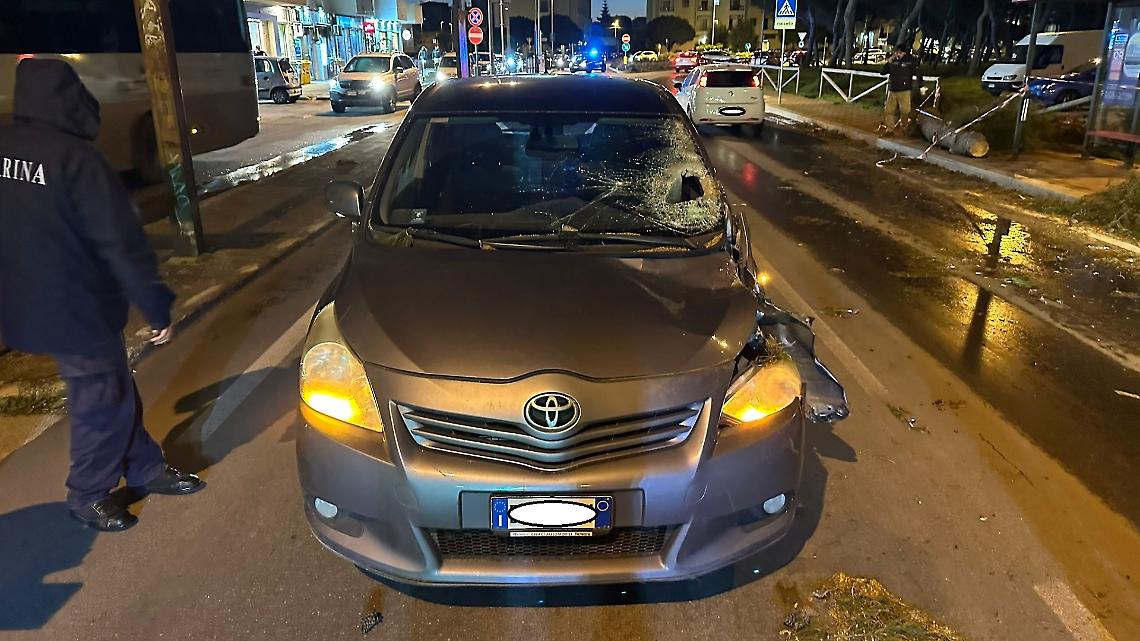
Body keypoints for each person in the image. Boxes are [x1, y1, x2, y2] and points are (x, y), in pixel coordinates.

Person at [0, 59, 203, 533]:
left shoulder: (5, 147)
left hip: (29, 301)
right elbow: (119, 242)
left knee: (112, 388)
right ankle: (87, 492)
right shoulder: (75, 159)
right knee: (101, 397)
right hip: (78, 307)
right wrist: (155, 307)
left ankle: (146, 468)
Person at [881, 44, 918, 136]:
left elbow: (917, 73)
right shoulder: (892, 61)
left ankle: (904, 127)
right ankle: (889, 129)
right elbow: (882, 72)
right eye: (896, 52)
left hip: (905, 90)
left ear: (904, 53)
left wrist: (920, 85)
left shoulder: (910, 62)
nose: (898, 54)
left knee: (905, 111)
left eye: (900, 52)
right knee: (888, 110)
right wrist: (888, 62)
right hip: (892, 89)